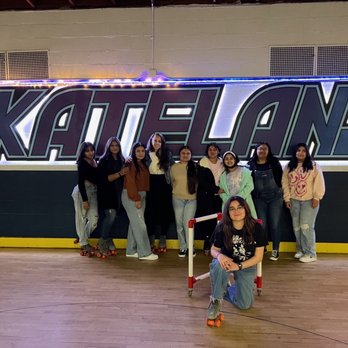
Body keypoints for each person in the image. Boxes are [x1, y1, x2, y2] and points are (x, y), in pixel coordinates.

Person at [207, 196, 266, 326]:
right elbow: (213, 250)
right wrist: (219, 256)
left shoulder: (256, 227)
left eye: (239, 207)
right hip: (226, 263)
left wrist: (238, 266)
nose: (236, 211)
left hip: (245, 265)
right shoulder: (222, 227)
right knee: (218, 264)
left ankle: (223, 288)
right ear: (227, 212)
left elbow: (258, 257)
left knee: (245, 305)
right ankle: (215, 301)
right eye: (232, 209)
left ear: (245, 209)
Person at [282, 143, 325, 263]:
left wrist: (317, 197)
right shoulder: (289, 166)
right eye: (298, 150)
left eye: (303, 151)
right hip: (294, 201)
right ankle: (301, 249)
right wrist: (287, 198)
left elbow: (319, 182)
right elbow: (285, 183)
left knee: (306, 227)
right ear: (295, 152)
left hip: (309, 200)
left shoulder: (313, 165)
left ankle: (311, 253)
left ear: (307, 153)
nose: (300, 153)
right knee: (297, 227)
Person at [121, 142, 158, 261]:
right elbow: (130, 182)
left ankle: (131, 250)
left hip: (141, 194)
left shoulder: (141, 164)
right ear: (133, 152)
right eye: (138, 151)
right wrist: (136, 198)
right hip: (132, 195)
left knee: (134, 224)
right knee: (140, 225)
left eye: (143, 151)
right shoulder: (130, 164)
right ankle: (145, 253)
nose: (141, 153)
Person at [247, 142, 283, 261]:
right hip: (259, 198)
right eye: (260, 149)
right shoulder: (250, 165)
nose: (262, 151)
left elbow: (281, 179)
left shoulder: (274, 163)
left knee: (275, 224)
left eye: (265, 149)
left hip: (275, 198)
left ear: (268, 151)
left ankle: (276, 249)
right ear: (256, 151)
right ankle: (263, 248)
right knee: (261, 225)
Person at [96, 137, 128, 258]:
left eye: (117, 145)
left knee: (114, 218)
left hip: (118, 193)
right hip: (107, 193)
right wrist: (120, 173)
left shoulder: (122, 160)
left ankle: (109, 239)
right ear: (108, 147)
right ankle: (102, 242)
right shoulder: (103, 160)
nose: (114, 147)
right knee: (110, 216)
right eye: (112, 145)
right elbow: (106, 179)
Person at [145, 132, 175, 253]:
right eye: (155, 140)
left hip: (164, 183)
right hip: (150, 183)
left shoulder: (167, 154)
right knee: (150, 212)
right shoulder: (146, 154)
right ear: (151, 141)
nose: (157, 143)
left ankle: (163, 237)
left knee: (165, 212)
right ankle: (151, 237)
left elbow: (173, 168)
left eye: (159, 141)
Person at [71, 141, 99, 256]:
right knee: (81, 218)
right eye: (87, 151)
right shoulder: (81, 163)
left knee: (94, 220)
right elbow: (81, 183)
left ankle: (83, 237)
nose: (90, 152)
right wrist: (85, 199)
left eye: (92, 150)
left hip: (93, 191)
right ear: (82, 152)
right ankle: (83, 242)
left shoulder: (94, 161)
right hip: (82, 192)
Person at [196, 143, 224, 255]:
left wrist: (220, 191)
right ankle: (207, 242)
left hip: (219, 197)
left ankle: (216, 244)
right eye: (210, 149)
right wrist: (215, 189)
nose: (212, 151)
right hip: (206, 197)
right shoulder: (202, 163)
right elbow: (202, 182)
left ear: (218, 151)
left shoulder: (223, 162)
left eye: (214, 149)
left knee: (217, 222)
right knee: (207, 221)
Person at [170, 145, 198, 257]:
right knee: (179, 224)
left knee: (188, 224)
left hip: (192, 199)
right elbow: (172, 183)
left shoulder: (195, 167)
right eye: (183, 153)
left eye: (188, 153)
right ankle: (182, 247)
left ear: (191, 155)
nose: (185, 155)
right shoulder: (174, 168)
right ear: (179, 155)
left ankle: (190, 247)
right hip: (177, 198)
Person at [219, 151, 257, 218]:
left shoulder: (245, 172)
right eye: (226, 159)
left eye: (231, 158)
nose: (229, 160)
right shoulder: (223, 176)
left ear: (235, 159)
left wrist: (238, 199)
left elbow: (250, 186)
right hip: (230, 206)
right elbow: (222, 192)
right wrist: (229, 200)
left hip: (245, 203)